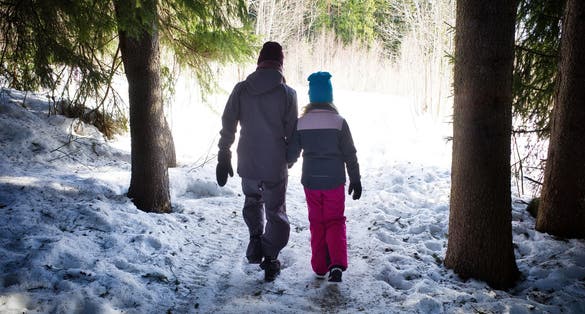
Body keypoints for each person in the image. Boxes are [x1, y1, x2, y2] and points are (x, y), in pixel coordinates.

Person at [216, 41, 298, 282]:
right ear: (280, 64)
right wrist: (289, 160)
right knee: (276, 213)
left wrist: (224, 152)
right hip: (274, 166)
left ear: (259, 61)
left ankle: (255, 240)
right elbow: (293, 133)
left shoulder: (242, 89)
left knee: (253, 201)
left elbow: (228, 121)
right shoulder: (288, 94)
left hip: (248, 162)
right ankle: (270, 256)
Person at [287, 71, 362, 282]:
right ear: (330, 96)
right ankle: (336, 264)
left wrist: (283, 165)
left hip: (311, 182)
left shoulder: (301, 123)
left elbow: (292, 154)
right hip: (334, 182)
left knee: (317, 222)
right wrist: (355, 178)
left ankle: (320, 266)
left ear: (311, 96)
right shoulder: (339, 122)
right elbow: (350, 153)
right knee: (335, 221)